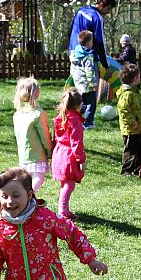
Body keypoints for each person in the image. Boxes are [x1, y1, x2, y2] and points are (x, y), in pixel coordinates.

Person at [12, 77, 53, 192]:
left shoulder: (17, 114)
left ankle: (26, 199)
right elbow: (45, 136)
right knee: (38, 178)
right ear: (36, 94)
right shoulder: (38, 114)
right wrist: (50, 150)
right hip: (36, 154)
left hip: (23, 154)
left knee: (28, 179)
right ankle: (27, 198)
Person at [52, 88, 86, 219]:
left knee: (64, 183)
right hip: (68, 156)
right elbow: (76, 143)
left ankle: (65, 210)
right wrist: (81, 160)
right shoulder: (75, 122)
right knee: (69, 185)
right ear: (78, 105)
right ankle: (62, 211)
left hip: (59, 153)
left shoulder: (60, 118)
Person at [67, 0, 117, 70]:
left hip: (74, 54)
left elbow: (70, 31)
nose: (109, 12)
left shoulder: (81, 11)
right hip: (88, 59)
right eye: (108, 8)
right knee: (91, 81)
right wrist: (105, 65)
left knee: (77, 80)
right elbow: (99, 42)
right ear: (101, 4)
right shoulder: (97, 18)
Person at [116, 64, 141, 175]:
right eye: (139, 76)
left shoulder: (134, 92)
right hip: (130, 129)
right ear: (134, 79)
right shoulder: (127, 94)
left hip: (137, 128)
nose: (140, 78)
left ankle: (137, 169)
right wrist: (132, 121)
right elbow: (123, 110)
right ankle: (126, 170)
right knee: (130, 150)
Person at [70, 30, 99, 129]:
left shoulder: (75, 54)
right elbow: (89, 71)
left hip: (79, 84)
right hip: (87, 84)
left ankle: (75, 118)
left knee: (82, 103)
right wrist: (93, 83)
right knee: (91, 103)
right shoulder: (88, 56)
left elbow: (72, 70)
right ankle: (88, 123)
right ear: (89, 43)